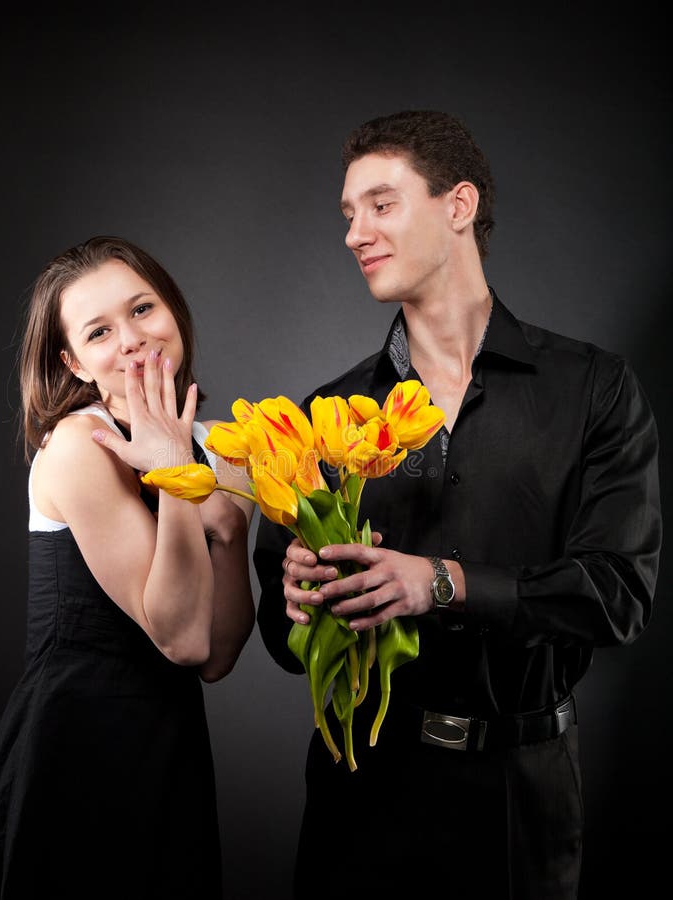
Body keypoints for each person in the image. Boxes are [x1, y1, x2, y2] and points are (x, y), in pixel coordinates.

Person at [253, 110, 662, 900]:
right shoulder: (320, 416)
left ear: (458, 205)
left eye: (379, 204)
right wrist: (298, 605)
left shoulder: (593, 390)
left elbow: (619, 595)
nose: (353, 233)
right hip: (357, 796)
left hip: (521, 797)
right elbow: (278, 635)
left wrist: (438, 580)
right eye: (346, 215)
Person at [0, 235, 255, 900]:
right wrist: (180, 482)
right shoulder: (78, 444)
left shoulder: (220, 447)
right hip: (74, 747)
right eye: (99, 331)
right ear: (74, 362)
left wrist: (231, 530)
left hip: (170, 744)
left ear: (172, 312)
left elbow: (216, 655)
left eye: (142, 309)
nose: (130, 338)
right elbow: (178, 637)